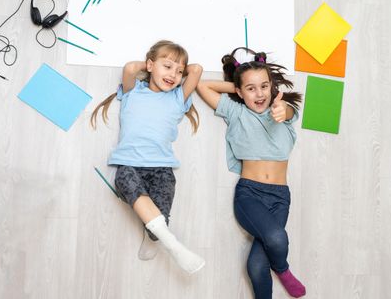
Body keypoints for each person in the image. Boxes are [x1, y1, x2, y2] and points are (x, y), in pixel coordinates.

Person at [196, 47, 306, 298]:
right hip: (250, 195)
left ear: (272, 88)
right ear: (239, 91)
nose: (259, 94)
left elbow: (288, 112)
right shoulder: (236, 112)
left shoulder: (283, 111)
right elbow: (203, 87)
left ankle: (273, 271)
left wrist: (281, 108)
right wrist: (237, 85)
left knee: (256, 267)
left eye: (264, 86)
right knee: (277, 239)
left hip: (280, 197)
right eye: (251, 88)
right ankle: (283, 269)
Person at [91, 40, 205, 275]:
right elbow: (131, 68)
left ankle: (157, 235)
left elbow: (197, 70)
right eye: (168, 66)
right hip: (130, 164)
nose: (174, 74)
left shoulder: (177, 98)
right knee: (124, 180)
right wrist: (152, 66)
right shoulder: (133, 92)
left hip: (162, 168)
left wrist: (169, 67)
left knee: (155, 230)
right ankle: (173, 245)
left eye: (178, 71)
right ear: (151, 64)